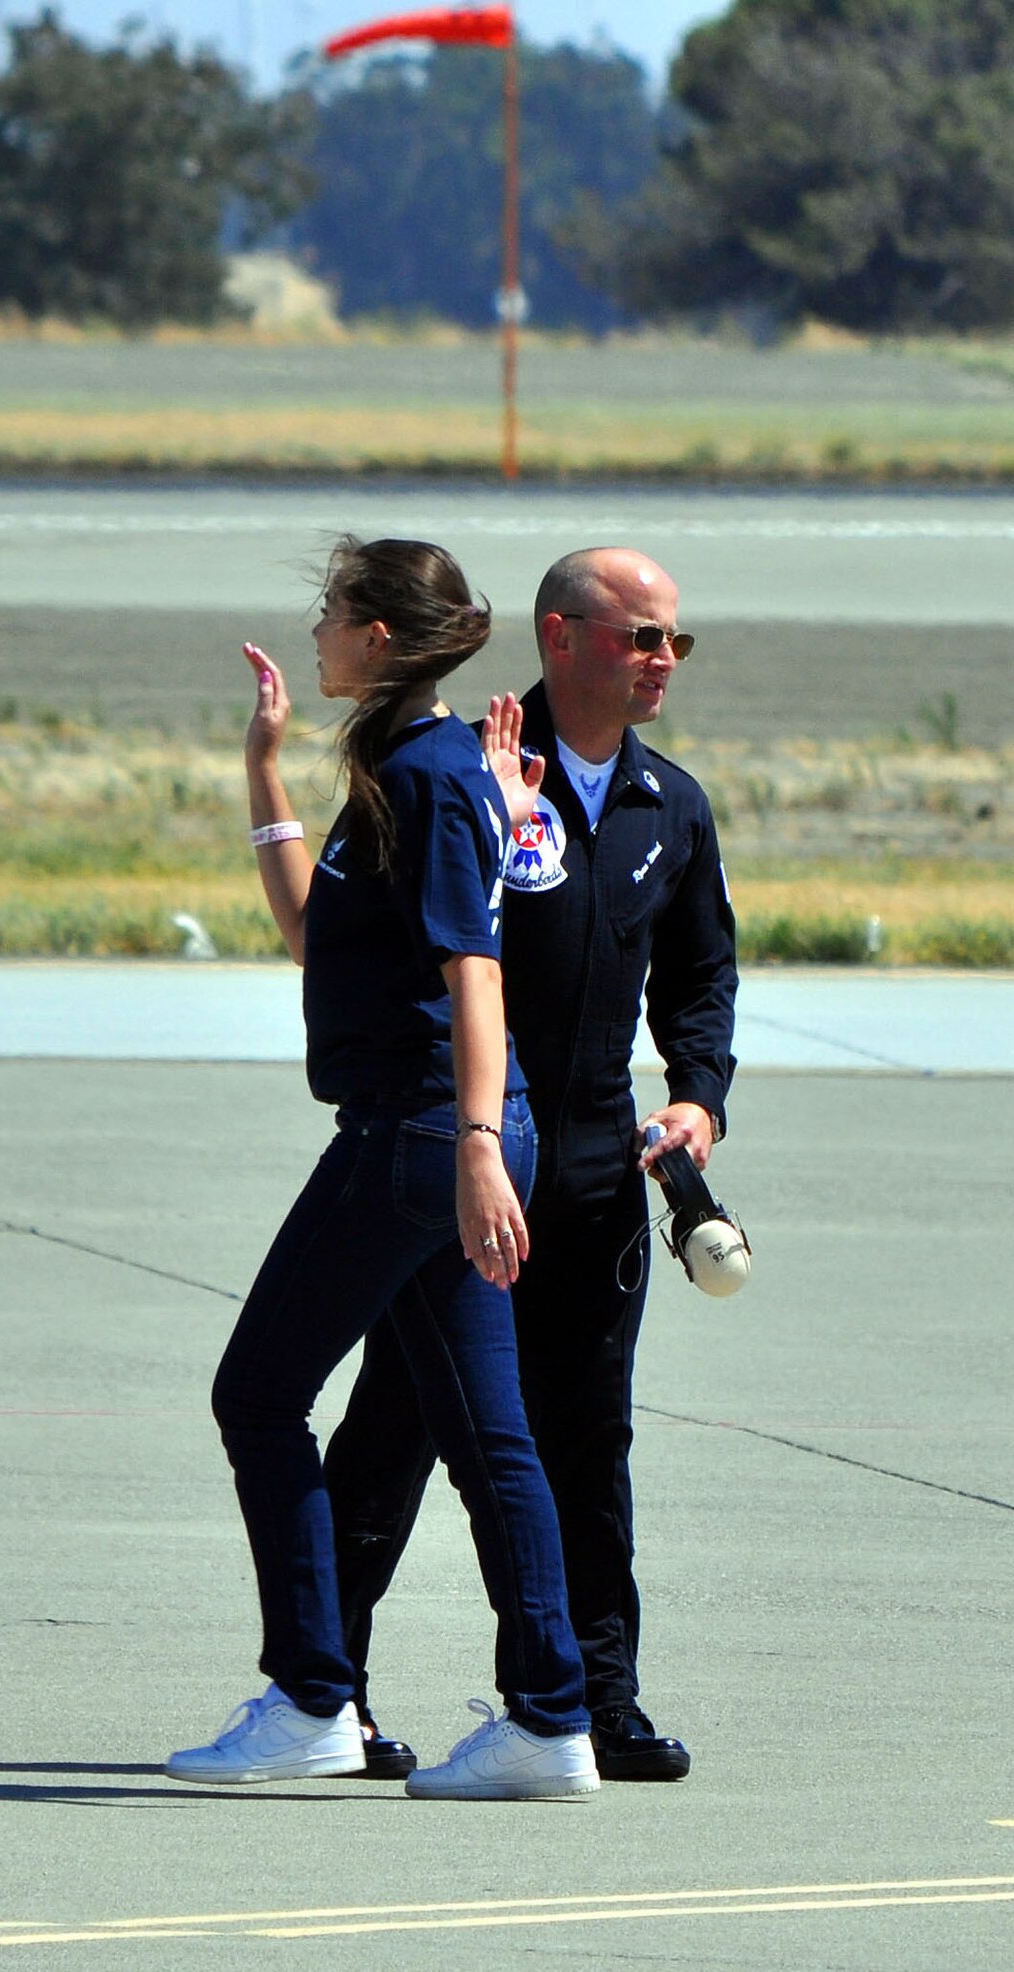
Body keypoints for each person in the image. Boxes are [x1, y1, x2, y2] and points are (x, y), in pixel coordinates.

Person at [164, 536, 599, 1802]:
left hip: (417, 1138)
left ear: (381, 637)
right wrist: (261, 769)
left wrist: (474, 1147)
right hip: (432, 1138)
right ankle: (547, 1718)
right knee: (487, 1440)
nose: (315, 632)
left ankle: (311, 1695)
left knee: (255, 1395)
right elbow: (318, 937)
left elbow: (477, 968)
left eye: (333, 613)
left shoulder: (433, 775)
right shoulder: (401, 769)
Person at [325, 545, 737, 1782]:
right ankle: (323, 1694)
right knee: (393, 1431)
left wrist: (697, 1096)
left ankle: (589, 1700)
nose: (662, 658)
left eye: (673, 640)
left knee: (583, 1442)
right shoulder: (476, 778)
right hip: (473, 1167)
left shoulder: (673, 805)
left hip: (600, 1178)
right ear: (561, 639)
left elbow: (702, 975)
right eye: (639, 637)